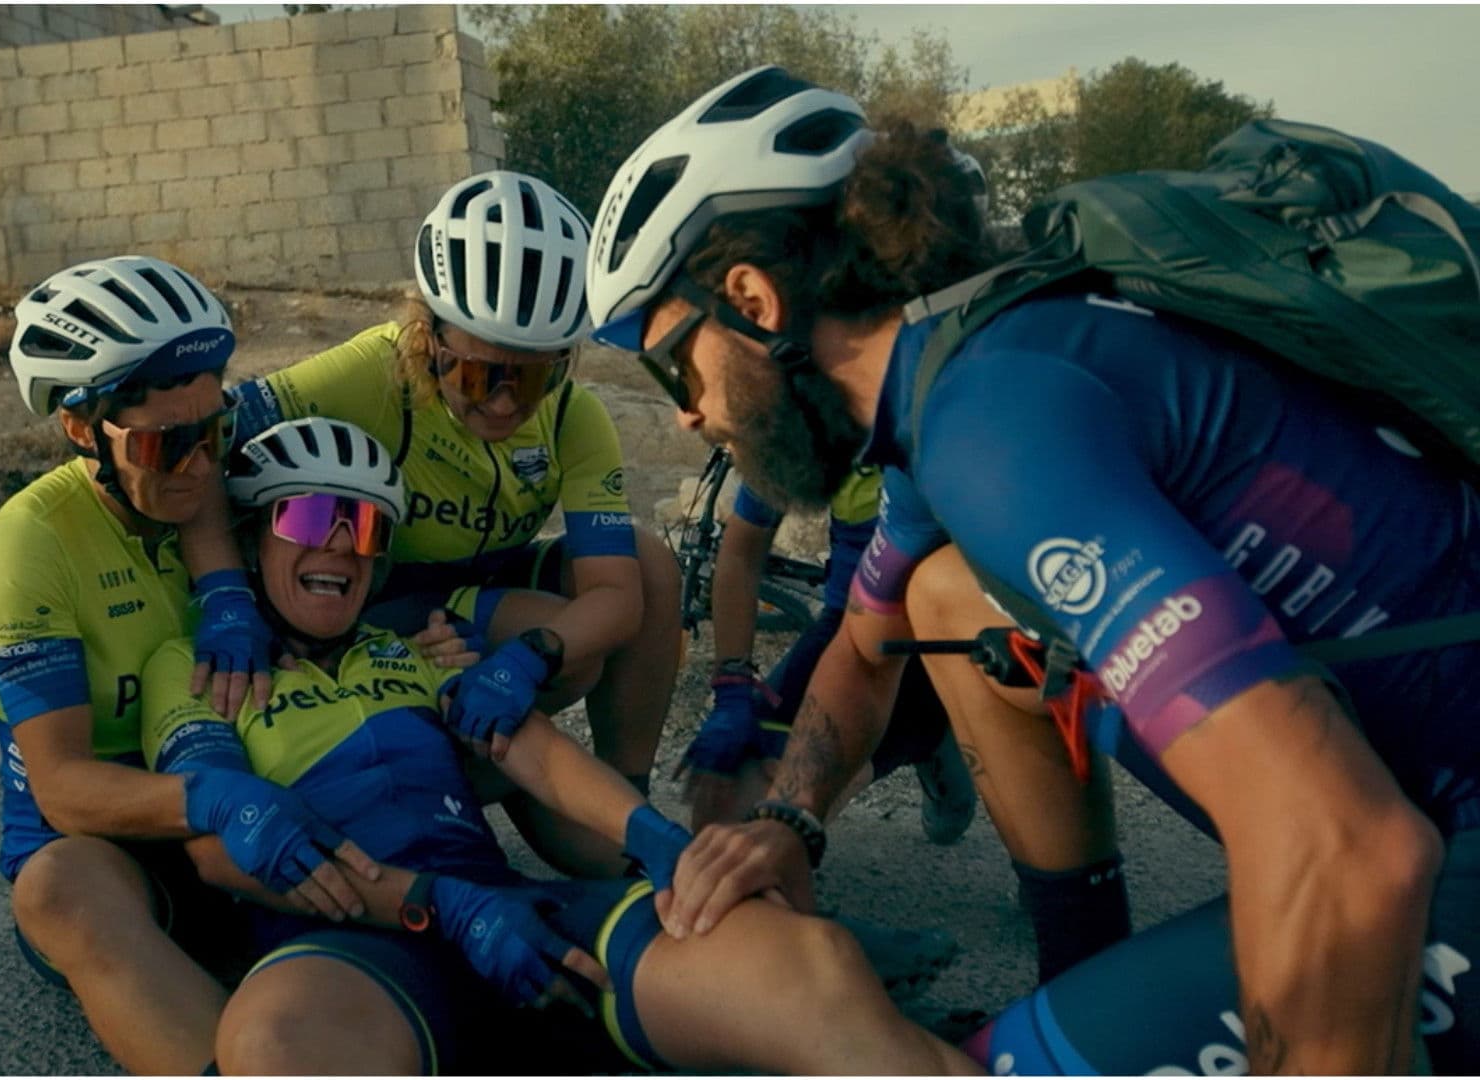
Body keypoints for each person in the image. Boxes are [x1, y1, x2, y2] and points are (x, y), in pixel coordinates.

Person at [584, 65, 1479, 1073]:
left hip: (1414, 825)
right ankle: (1083, 964)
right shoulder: (964, 366)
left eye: (671, 367)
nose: (686, 414)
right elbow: (868, 651)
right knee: (948, 597)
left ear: (750, 299)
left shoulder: (993, 429)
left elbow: (1355, 852)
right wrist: (790, 816)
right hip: (1398, 762)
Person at [140, 415, 979, 1076]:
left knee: (805, 960)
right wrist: (442, 906)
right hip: (352, 946)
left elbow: (534, 753)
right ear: (253, 538)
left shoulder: (407, 652)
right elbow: (221, 852)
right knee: (279, 1048)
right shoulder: (195, 665)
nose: (337, 545)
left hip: (514, 915)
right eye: (311, 514)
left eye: (362, 528)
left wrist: (659, 844)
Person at [194, 170, 682, 877]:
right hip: (380, 591)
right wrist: (225, 595)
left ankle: (621, 797)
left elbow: (621, 595)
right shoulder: (372, 369)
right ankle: (462, 759)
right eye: (482, 376)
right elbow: (200, 448)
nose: (510, 404)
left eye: (536, 376)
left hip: (476, 585)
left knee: (648, 566)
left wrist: (530, 658)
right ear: (427, 338)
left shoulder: (575, 415)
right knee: (550, 624)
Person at [0, 255, 392, 1073]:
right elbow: (61, 785)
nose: (202, 465)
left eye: (216, 429)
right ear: (79, 426)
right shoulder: (29, 543)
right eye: (170, 444)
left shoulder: (211, 484)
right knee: (56, 890)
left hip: (262, 799)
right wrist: (212, 797)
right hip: (124, 844)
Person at [684, 465, 973, 843]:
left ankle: (938, 727)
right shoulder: (800, 419)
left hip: (962, 632)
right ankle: (926, 735)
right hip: (855, 626)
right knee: (727, 814)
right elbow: (741, 549)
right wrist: (733, 691)